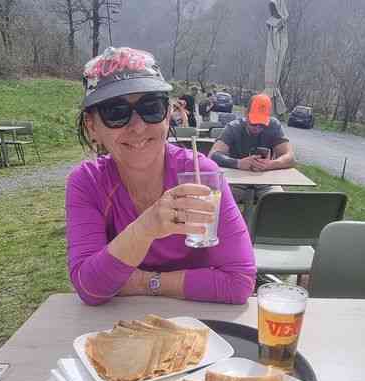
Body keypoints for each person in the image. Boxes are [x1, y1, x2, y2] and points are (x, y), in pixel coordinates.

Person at [67, 47, 255, 306]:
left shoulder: (202, 176)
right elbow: (90, 287)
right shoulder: (87, 183)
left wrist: (143, 282)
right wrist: (146, 228)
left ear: (167, 115)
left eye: (151, 107)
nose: (138, 127)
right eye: (115, 112)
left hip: (197, 323)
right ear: (92, 127)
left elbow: (239, 282)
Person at [209, 93, 296, 203]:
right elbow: (213, 155)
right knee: (217, 201)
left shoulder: (274, 126)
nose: (257, 128)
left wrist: (270, 164)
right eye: (254, 123)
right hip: (236, 180)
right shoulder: (233, 127)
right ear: (246, 114)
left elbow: (290, 158)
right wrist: (238, 163)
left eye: (262, 124)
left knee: (279, 201)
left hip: (265, 181)